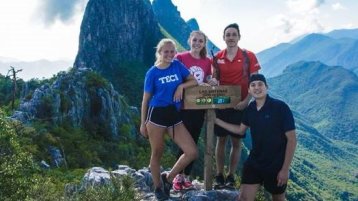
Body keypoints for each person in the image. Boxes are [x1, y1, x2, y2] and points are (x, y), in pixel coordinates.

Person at [215, 74, 297, 201]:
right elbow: (240, 130)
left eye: (260, 84)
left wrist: (285, 169)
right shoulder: (250, 109)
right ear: (248, 90)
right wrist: (217, 121)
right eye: (253, 85)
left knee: (278, 199)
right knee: (243, 199)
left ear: (266, 87)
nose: (257, 87)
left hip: (276, 164)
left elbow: (292, 140)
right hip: (255, 162)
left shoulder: (280, 107)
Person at [140, 38, 199, 200]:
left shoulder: (177, 66)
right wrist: (142, 123)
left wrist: (181, 86)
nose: (170, 54)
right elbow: (145, 99)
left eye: (172, 51)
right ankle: (158, 187)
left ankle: (168, 178)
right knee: (157, 153)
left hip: (173, 114)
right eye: (166, 51)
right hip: (156, 115)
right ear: (160, 53)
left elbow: (193, 80)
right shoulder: (152, 72)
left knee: (192, 151)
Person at [213, 23, 261, 189]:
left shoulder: (249, 56)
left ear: (239, 37)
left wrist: (247, 100)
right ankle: (219, 174)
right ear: (224, 37)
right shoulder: (217, 57)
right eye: (228, 35)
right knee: (221, 140)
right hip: (222, 104)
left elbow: (255, 81)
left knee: (236, 142)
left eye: (234, 34)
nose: (231, 37)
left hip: (241, 104)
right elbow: (215, 80)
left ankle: (231, 176)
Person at [172, 30, 217, 191]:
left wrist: (211, 81)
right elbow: (177, 79)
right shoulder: (181, 58)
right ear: (189, 40)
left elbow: (206, 78)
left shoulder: (207, 61)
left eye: (200, 41)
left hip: (198, 107)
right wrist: (197, 85)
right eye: (195, 40)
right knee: (184, 142)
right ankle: (177, 176)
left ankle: (186, 177)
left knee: (193, 140)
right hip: (182, 105)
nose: (197, 43)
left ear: (204, 44)